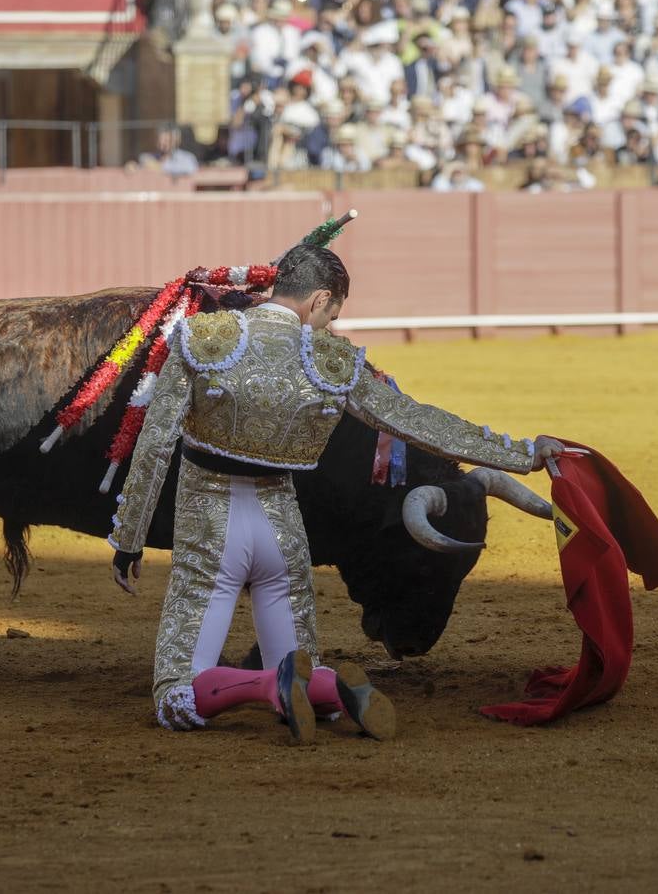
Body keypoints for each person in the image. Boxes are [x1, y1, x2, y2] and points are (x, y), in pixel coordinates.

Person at [108, 243, 565, 741]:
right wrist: (524, 452)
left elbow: (154, 445)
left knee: (176, 695)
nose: (328, 326)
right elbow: (420, 423)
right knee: (302, 667)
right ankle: (329, 692)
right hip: (282, 535)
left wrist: (129, 537)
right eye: (332, 314)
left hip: (210, 529)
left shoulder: (200, 337)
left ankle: (268, 687)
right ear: (319, 298)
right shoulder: (334, 360)